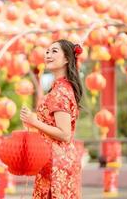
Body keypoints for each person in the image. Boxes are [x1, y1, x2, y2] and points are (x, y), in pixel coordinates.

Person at [20, 39, 83, 198]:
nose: (48, 54)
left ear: (67, 59)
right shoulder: (60, 88)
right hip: (55, 160)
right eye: (47, 51)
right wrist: (32, 122)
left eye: (54, 51)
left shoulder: (60, 91)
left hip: (57, 164)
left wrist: (34, 122)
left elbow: (64, 133)